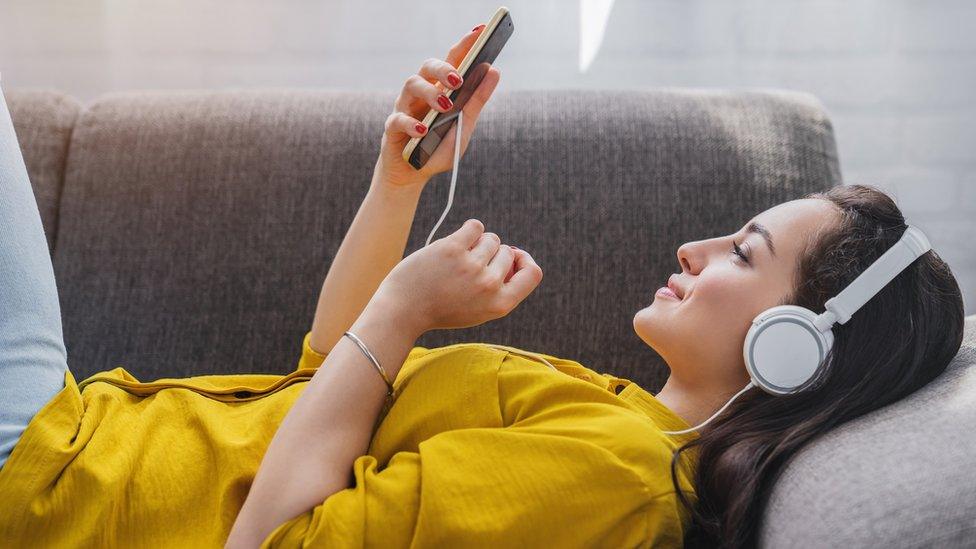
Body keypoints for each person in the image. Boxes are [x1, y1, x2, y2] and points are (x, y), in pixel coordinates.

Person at [0, 23, 965, 549]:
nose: (694, 247)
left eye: (744, 253)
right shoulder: (612, 418)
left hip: (54, 490)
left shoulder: (617, 480)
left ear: (790, 351)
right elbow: (326, 384)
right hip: (70, 443)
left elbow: (277, 536)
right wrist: (400, 182)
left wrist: (407, 309)